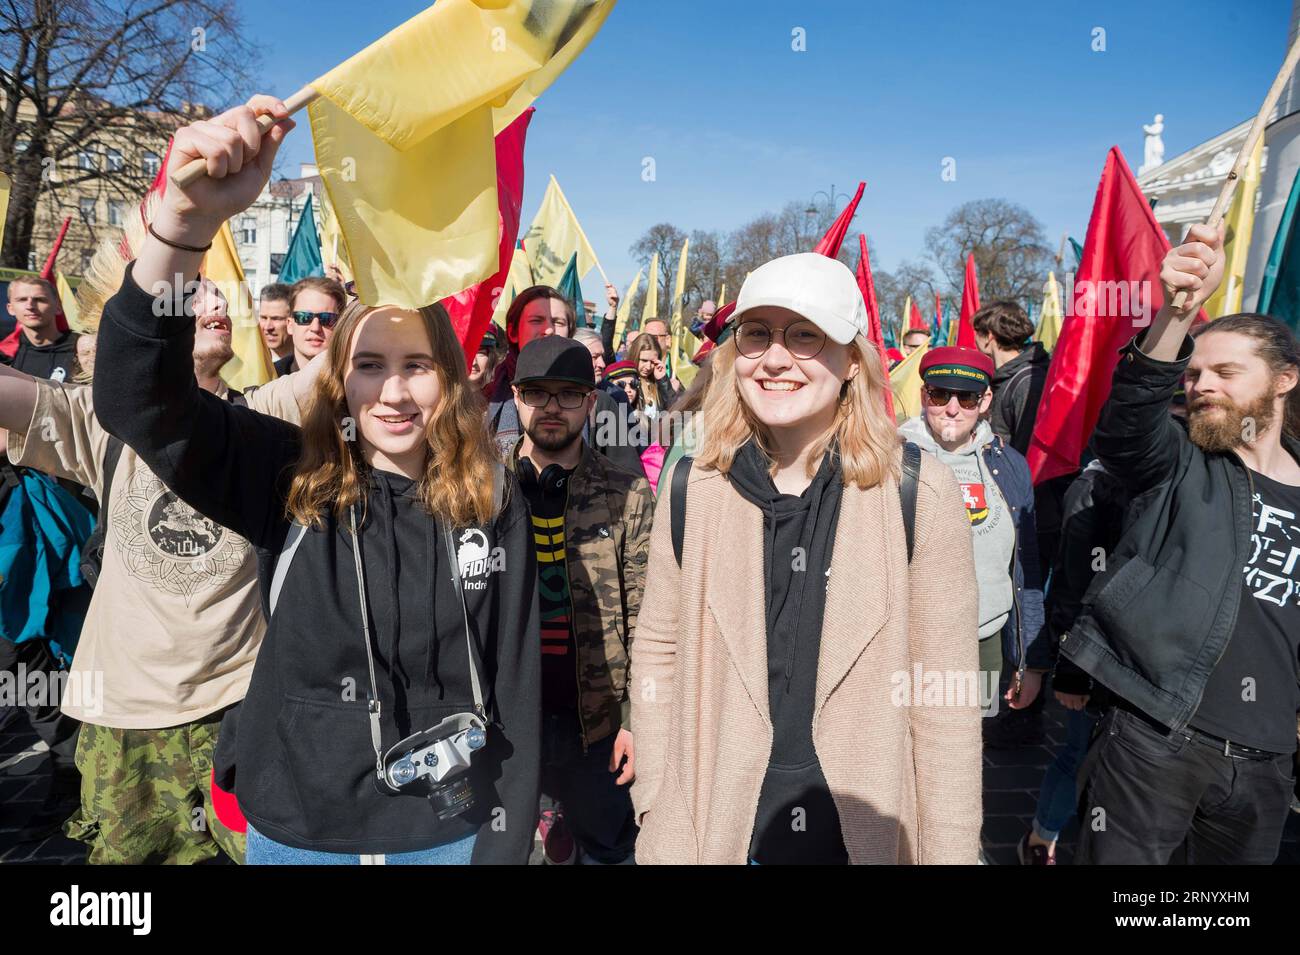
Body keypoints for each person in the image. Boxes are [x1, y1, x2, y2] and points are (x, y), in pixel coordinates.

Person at [91, 96, 541, 864]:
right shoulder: (288, 469)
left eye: (417, 367)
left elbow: (516, 677)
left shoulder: (491, 495)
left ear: (450, 379)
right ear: (338, 378)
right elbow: (139, 400)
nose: (393, 394)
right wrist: (183, 225)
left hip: (446, 831)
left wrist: (504, 840)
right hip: (298, 829)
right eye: (369, 366)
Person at [631, 253, 982, 864]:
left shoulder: (916, 491)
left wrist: (949, 851)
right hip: (715, 833)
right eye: (756, 334)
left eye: (804, 336)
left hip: (861, 837)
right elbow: (659, 649)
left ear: (852, 361)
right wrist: (657, 803)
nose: (773, 358)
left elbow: (944, 696)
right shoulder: (693, 486)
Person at [0, 274, 312, 863]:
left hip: (245, 705)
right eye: (194, 297)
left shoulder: (265, 409)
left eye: (220, 298)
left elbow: (348, 361)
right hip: (127, 717)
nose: (215, 305)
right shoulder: (100, 421)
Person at [1070, 223, 1300, 864]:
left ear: (1283, 382)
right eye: (1194, 372)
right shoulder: (1178, 462)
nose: (1201, 385)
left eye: (1225, 371)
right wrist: (1175, 312)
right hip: (1155, 734)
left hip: (1266, 757)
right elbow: (1127, 423)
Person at [506, 336, 653, 864]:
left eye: (568, 395)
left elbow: (648, 618)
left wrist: (638, 719)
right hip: (503, 722)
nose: (551, 408)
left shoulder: (628, 493)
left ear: (592, 403)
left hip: (597, 724)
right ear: (516, 397)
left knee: (608, 849)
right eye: (536, 393)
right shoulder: (479, 486)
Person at [897, 346, 1047, 726]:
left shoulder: (1010, 464)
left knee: (968, 746)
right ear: (923, 396)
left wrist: (1032, 659)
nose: (952, 408)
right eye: (939, 394)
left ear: (985, 401)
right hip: (908, 642)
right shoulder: (887, 459)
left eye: (966, 397)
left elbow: (1025, 565)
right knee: (906, 749)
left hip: (986, 643)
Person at [487, 285, 642, 475]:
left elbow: (630, 486)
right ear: (512, 331)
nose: (549, 330)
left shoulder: (601, 404)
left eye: (558, 322)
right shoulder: (485, 401)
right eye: (537, 320)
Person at [971, 301, 1050, 457]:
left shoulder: (1028, 382)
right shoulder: (1004, 376)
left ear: (989, 336)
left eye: (976, 332)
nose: (974, 338)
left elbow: (1028, 451)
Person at [2, 277, 80, 383]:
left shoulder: (81, 349)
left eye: (39, 299)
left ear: (58, 307)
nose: (30, 306)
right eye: (22, 299)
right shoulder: (5, 354)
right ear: (10, 309)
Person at [273, 275, 346, 377]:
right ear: (290, 325)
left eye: (326, 318)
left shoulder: (351, 383)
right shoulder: (265, 378)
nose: (315, 328)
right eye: (304, 317)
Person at [639, 317, 683, 396]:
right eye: (645, 336)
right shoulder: (634, 369)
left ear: (668, 340)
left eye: (654, 337)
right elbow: (623, 405)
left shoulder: (683, 370)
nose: (649, 340)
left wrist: (674, 394)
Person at [257, 282, 295, 368]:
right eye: (263, 318)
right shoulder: (252, 362)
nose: (268, 327)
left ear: (291, 321)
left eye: (276, 319)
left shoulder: (307, 365)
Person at [468, 323, 506, 395]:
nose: (474, 363)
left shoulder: (501, 395)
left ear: (491, 357)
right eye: (467, 353)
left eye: (481, 353)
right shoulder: (444, 397)